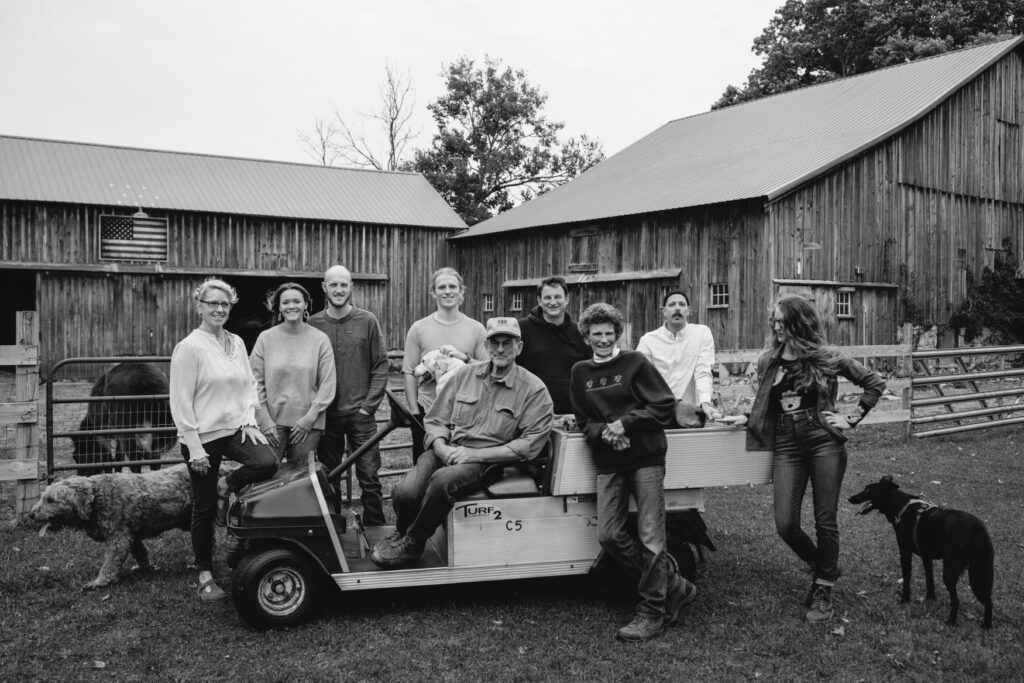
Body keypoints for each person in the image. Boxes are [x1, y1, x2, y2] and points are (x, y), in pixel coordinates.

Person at [721, 295, 885, 623]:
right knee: (785, 524)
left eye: (783, 322)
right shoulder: (769, 360)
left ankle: (823, 589)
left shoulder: (826, 357)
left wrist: (851, 418)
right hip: (787, 445)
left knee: (826, 520)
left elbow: (874, 383)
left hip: (823, 441)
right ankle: (825, 566)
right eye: (774, 322)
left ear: (800, 322)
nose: (776, 327)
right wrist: (746, 418)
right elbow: (761, 401)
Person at [373, 317, 554, 569]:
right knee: (405, 492)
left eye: (507, 343)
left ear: (519, 347)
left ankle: (413, 543)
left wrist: (474, 455)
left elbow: (528, 445)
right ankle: (401, 531)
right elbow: (435, 419)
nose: (500, 349)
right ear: (487, 346)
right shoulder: (464, 375)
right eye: (495, 343)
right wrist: (440, 446)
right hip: (448, 450)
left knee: (441, 481)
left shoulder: (534, 390)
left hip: (486, 461)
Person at [569, 303, 698, 642]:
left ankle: (652, 612)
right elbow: (584, 420)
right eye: (595, 334)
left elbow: (662, 406)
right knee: (609, 534)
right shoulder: (580, 372)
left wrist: (624, 425)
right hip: (610, 461)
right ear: (586, 336)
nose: (602, 339)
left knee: (652, 537)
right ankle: (674, 584)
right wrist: (605, 433)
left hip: (645, 458)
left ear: (617, 334)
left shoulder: (635, 363)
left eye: (608, 333)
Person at [169, 277, 278, 601]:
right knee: (202, 507)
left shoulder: (236, 343)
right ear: (199, 306)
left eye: (224, 304)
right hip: (200, 436)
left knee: (266, 462)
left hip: (234, 430)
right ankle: (204, 573)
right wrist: (194, 446)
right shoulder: (190, 347)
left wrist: (248, 421)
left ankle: (225, 485)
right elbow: (181, 399)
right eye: (212, 303)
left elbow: (247, 386)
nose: (219, 309)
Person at [308, 265, 390, 526]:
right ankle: (335, 528)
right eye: (334, 285)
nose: (339, 290)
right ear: (324, 287)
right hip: (327, 416)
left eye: (344, 284)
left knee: (369, 475)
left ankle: (376, 526)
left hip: (360, 415)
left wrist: (369, 406)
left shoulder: (367, 321)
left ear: (351, 286)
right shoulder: (313, 324)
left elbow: (380, 364)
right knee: (329, 476)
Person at [402, 267, 488, 461]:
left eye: (452, 286)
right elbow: (409, 371)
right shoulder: (419, 328)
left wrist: (465, 358)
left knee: (459, 469)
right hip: (428, 411)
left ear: (461, 291)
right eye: (442, 287)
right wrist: (415, 412)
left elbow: (488, 370)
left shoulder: (476, 329)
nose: (447, 291)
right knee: (424, 466)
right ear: (433, 292)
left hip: (466, 414)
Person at [250, 282, 336, 464]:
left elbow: (328, 385)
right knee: (265, 474)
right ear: (279, 308)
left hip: (308, 423)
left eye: (297, 301)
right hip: (272, 423)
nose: (291, 306)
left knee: (298, 479)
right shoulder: (266, 338)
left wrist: (310, 419)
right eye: (286, 302)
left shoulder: (320, 340)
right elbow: (254, 383)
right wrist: (264, 419)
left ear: (306, 304)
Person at [636, 290, 722, 426]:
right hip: (659, 414)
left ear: (688, 311)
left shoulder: (701, 333)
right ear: (664, 311)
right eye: (672, 304)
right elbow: (642, 382)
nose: (677, 308)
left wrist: (705, 403)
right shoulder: (648, 341)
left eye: (682, 304)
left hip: (693, 414)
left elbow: (703, 371)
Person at [516, 276, 589, 416]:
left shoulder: (579, 332)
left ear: (567, 299)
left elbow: (588, 374)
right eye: (548, 297)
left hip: (570, 414)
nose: (553, 302)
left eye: (557, 297)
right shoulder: (521, 328)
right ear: (539, 300)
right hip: (530, 412)